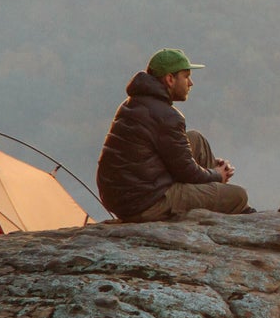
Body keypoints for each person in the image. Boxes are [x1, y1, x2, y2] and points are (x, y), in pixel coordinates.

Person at [97, 49, 250, 222]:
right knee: (239, 196)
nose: (190, 83)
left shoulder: (132, 104)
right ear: (170, 79)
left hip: (124, 196)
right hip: (147, 202)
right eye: (186, 76)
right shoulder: (167, 116)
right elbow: (187, 172)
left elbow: (176, 159)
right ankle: (228, 205)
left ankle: (214, 193)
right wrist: (217, 174)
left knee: (196, 139)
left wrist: (211, 171)